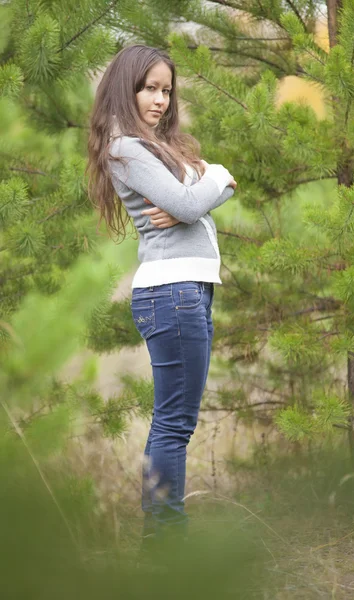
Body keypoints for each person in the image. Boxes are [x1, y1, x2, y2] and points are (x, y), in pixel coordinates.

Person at [86, 45, 236, 549]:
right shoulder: (126, 147)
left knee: (176, 423)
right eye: (149, 87)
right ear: (125, 87)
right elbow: (192, 202)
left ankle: (162, 543)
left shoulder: (153, 147)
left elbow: (190, 206)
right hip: (172, 293)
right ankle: (165, 547)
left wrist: (196, 197)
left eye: (166, 90)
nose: (159, 99)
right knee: (174, 425)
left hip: (187, 290)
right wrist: (216, 176)